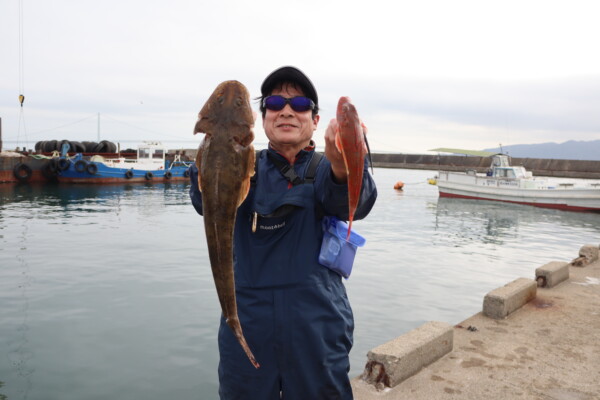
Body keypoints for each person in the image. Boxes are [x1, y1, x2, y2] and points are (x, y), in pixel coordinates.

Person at [189, 66, 377, 399]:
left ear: (315, 121)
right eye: (275, 103)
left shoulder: (324, 170)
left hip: (316, 327)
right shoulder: (243, 165)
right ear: (261, 120)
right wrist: (207, 162)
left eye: (300, 104)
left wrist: (340, 164)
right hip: (246, 322)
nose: (286, 110)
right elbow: (203, 201)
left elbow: (355, 204)